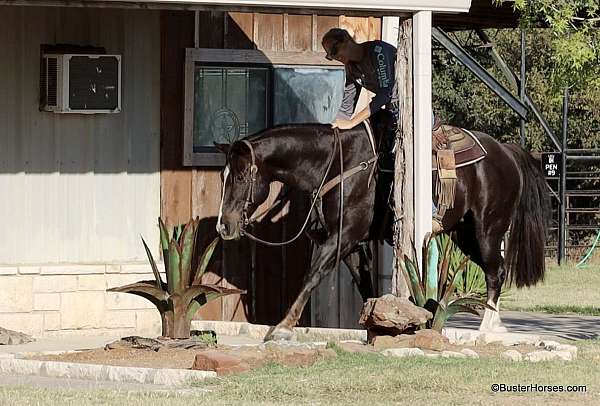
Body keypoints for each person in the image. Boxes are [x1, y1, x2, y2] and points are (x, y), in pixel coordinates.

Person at [321, 28, 443, 233]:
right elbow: (346, 106)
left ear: (347, 39)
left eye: (335, 50)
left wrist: (351, 124)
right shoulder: (351, 69)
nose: (336, 57)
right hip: (390, 114)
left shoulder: (377, 51)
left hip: (412, 109)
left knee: (413, 151)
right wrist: (332, 131)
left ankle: (429, 211)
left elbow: (385, 94)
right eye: (330, 55)